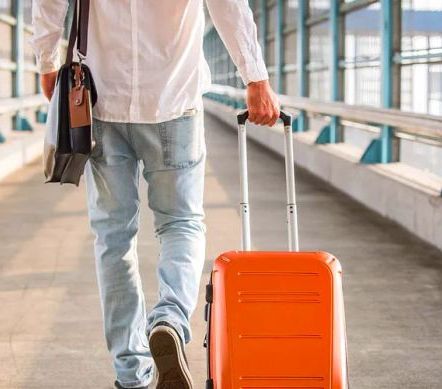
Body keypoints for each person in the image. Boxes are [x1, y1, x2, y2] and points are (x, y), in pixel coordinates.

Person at [30, 1, 279, 388]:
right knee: (181, 223)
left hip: (101, 101)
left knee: (113, 238)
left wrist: (46, 61)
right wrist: (255, 78)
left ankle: (131, 374)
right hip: (173, 98)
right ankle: (170, 321)